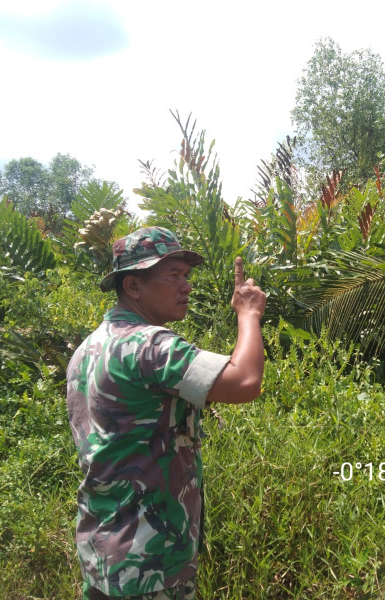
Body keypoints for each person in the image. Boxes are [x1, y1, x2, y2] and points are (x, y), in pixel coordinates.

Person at [66, 226, 266, 600]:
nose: (186, 286)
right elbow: (245, 382)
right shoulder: (149, 345)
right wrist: (249, 313)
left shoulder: (88, 349)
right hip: (150, 563)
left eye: (186, 275)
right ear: (133, 286)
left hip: (102, 553)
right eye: (172, 276)